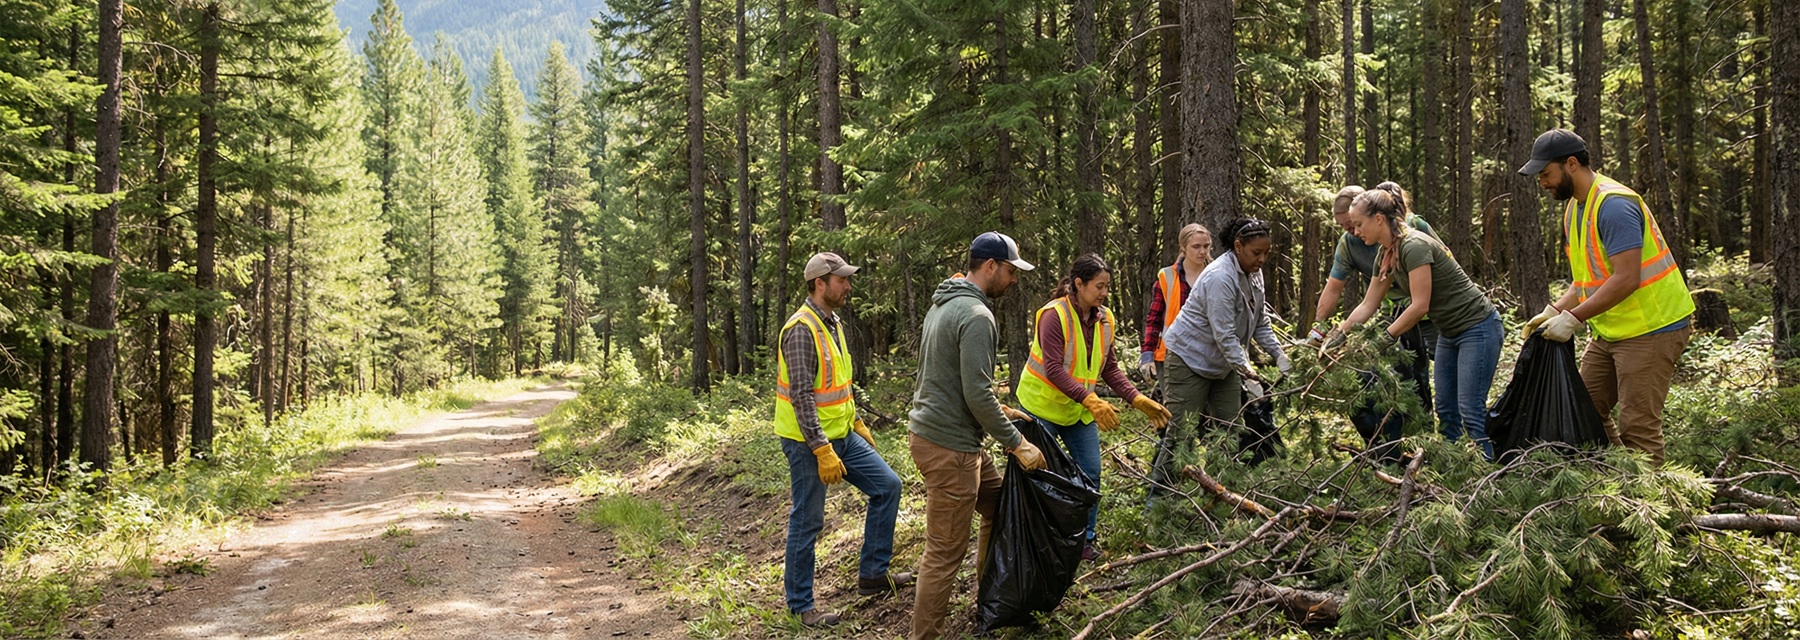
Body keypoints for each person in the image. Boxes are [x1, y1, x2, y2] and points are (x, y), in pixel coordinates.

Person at [1519, 128, 1695, 466]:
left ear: (1571, 164)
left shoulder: (1613, 205)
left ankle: (1649, 509)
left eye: (1546, 174)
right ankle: (1620, 478)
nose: (1542, 182)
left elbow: (1627, 278)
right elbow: (1584, 281)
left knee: (1638, 427)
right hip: (1611, 331)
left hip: (1652, 329)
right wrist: (1553, 310)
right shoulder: (1575, 209)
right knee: (1583, 408)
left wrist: (1573, 318)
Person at [907, 232, 1048, 640]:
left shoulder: (946, 304)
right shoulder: (976, 315)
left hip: (949, 439)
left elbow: (948, 378)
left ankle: (990, 601)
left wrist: (1002, 411)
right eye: (1010, 271)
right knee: (944, 553)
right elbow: (976, 393)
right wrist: (1017, 442)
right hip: (949, 448)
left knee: (999, 506)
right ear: (990, 266)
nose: (1013, 280)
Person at [774, 252, 912, 627]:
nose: (849, 286)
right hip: (808, 443)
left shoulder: (832, 323)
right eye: (842, 280)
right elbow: (802, 396)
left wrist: (858, 422)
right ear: (820, 283)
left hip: (843, 434)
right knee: (808, 520)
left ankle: (872, 575)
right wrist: (821, 448)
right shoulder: (802, 329)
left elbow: (838, 387)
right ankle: (801, 606)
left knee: (887, 487)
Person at [1017, 254, 1171, 560]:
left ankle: (1083, 542)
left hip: (1078, 412)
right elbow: (1054, 369)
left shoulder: (1105, 319)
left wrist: (1137, 399)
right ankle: (1034, 542)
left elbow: (1110, 369)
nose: (1103, 293)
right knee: (1037, 476)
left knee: (1090, 473)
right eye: (1099, 286)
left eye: (1107, 287)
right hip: (1040, 407)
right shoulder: (1053, 315)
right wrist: (1090, 399)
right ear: (1079, 284)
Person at [1334, 186, 1503, 459]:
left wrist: (1384, 339)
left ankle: (1485, 475)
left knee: (1469, 410)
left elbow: (1419, 305)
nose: (1355, 231)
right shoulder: (1386, 253)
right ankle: (1454, 471)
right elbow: (1368, 304)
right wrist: (1338, 335)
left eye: (1359, 224)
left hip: (1478, 327)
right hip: (1449, 332)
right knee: (1446, 410)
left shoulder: (1414, 245)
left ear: (1378, 219)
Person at [1148, 219, 1289, 501]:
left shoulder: (1254, 274)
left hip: (1223, 364)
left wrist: (1279, 354)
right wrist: (1250, 374)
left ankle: (1219, 495)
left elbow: (1259, 322)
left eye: (1266, 253)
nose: (1261, 259)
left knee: (1229, 429)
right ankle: (1160, 501)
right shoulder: (1219, 277)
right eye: (1255, 253)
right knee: (1182, 432)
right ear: (1238, 246)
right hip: (1188, 358)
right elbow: (1224, 334)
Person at [1305, 184, 1439, 458]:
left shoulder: (1410, 231)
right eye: (1346, 226)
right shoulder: (1361, 247)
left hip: (1429, 313)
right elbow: (1336, 289)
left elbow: (1440, 264)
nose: (1354, 232)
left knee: (1430, 382)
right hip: (1393, 314)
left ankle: (1433, 445)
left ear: (1373, 214)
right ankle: (1393, 448)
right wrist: (1320, 329)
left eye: (1356, 224)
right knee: (1392, 380)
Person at [1140, 224, 1213, 389]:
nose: (1202, 251)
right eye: (1196, 246)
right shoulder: (1167, 276)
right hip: (1173, 355)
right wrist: (1147, 354)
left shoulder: (1216, 274)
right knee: (1178, 412)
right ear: (1183, 248)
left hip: (1209, 354)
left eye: (1206, 246)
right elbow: (1154, 318)